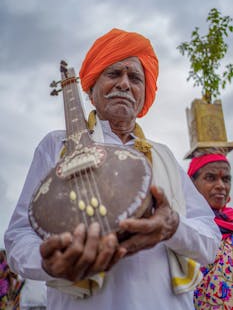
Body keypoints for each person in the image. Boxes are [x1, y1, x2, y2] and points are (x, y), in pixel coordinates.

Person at [4, 28, 221, 310]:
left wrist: (173, 227)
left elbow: (210, 239)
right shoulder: (57, 145)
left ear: (144, 95)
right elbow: (19, 235)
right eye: (113, 73)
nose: (124, 84)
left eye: (134, 78)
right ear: (91, 90)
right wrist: (48, 262)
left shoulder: (163, 155)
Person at [188, 152, 233, 309]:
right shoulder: (182, 227)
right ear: (191, 184)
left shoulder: (231, 221)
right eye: (211, 178)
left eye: (226, 179)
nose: (221, 185)